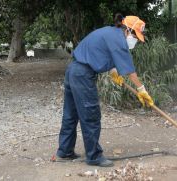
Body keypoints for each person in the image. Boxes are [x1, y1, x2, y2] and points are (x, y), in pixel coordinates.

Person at [56, 14, 154, 167]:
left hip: (73, 70)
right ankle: (94, 156)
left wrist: (114, 72)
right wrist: (142, 90)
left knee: (71, 114)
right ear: (127, 30)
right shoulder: (118, 39)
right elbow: (130, 70)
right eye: (135, 36)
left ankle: (65, 151)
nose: (135, 40)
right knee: (91, 115)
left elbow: (104, 54)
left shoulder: (110, 33)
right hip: (82, 75)